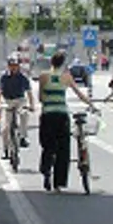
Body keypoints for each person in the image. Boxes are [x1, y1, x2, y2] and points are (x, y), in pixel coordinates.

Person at [37, 49, 94, 192]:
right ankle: (58, 183)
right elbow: (79, 94)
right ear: (63, 64)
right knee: (63, 149)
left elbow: (40, 98)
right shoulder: (67, 77)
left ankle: (46, 170)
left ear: (51, 62)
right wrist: (91, 104)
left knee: (48, 146)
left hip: (48, 115)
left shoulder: (43, 76)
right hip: (62, 115)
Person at [0, 53, 33, 154]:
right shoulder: (4, 77)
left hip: (20, 100)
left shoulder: (23, 77)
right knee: (5, 128)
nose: (13, 68)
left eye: (15, 66)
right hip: (7, 100)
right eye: (11, 66)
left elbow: (29, 92)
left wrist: (31, 105)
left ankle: (22, 137)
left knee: (24, 114)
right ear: (8, 66)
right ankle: (5, 149)